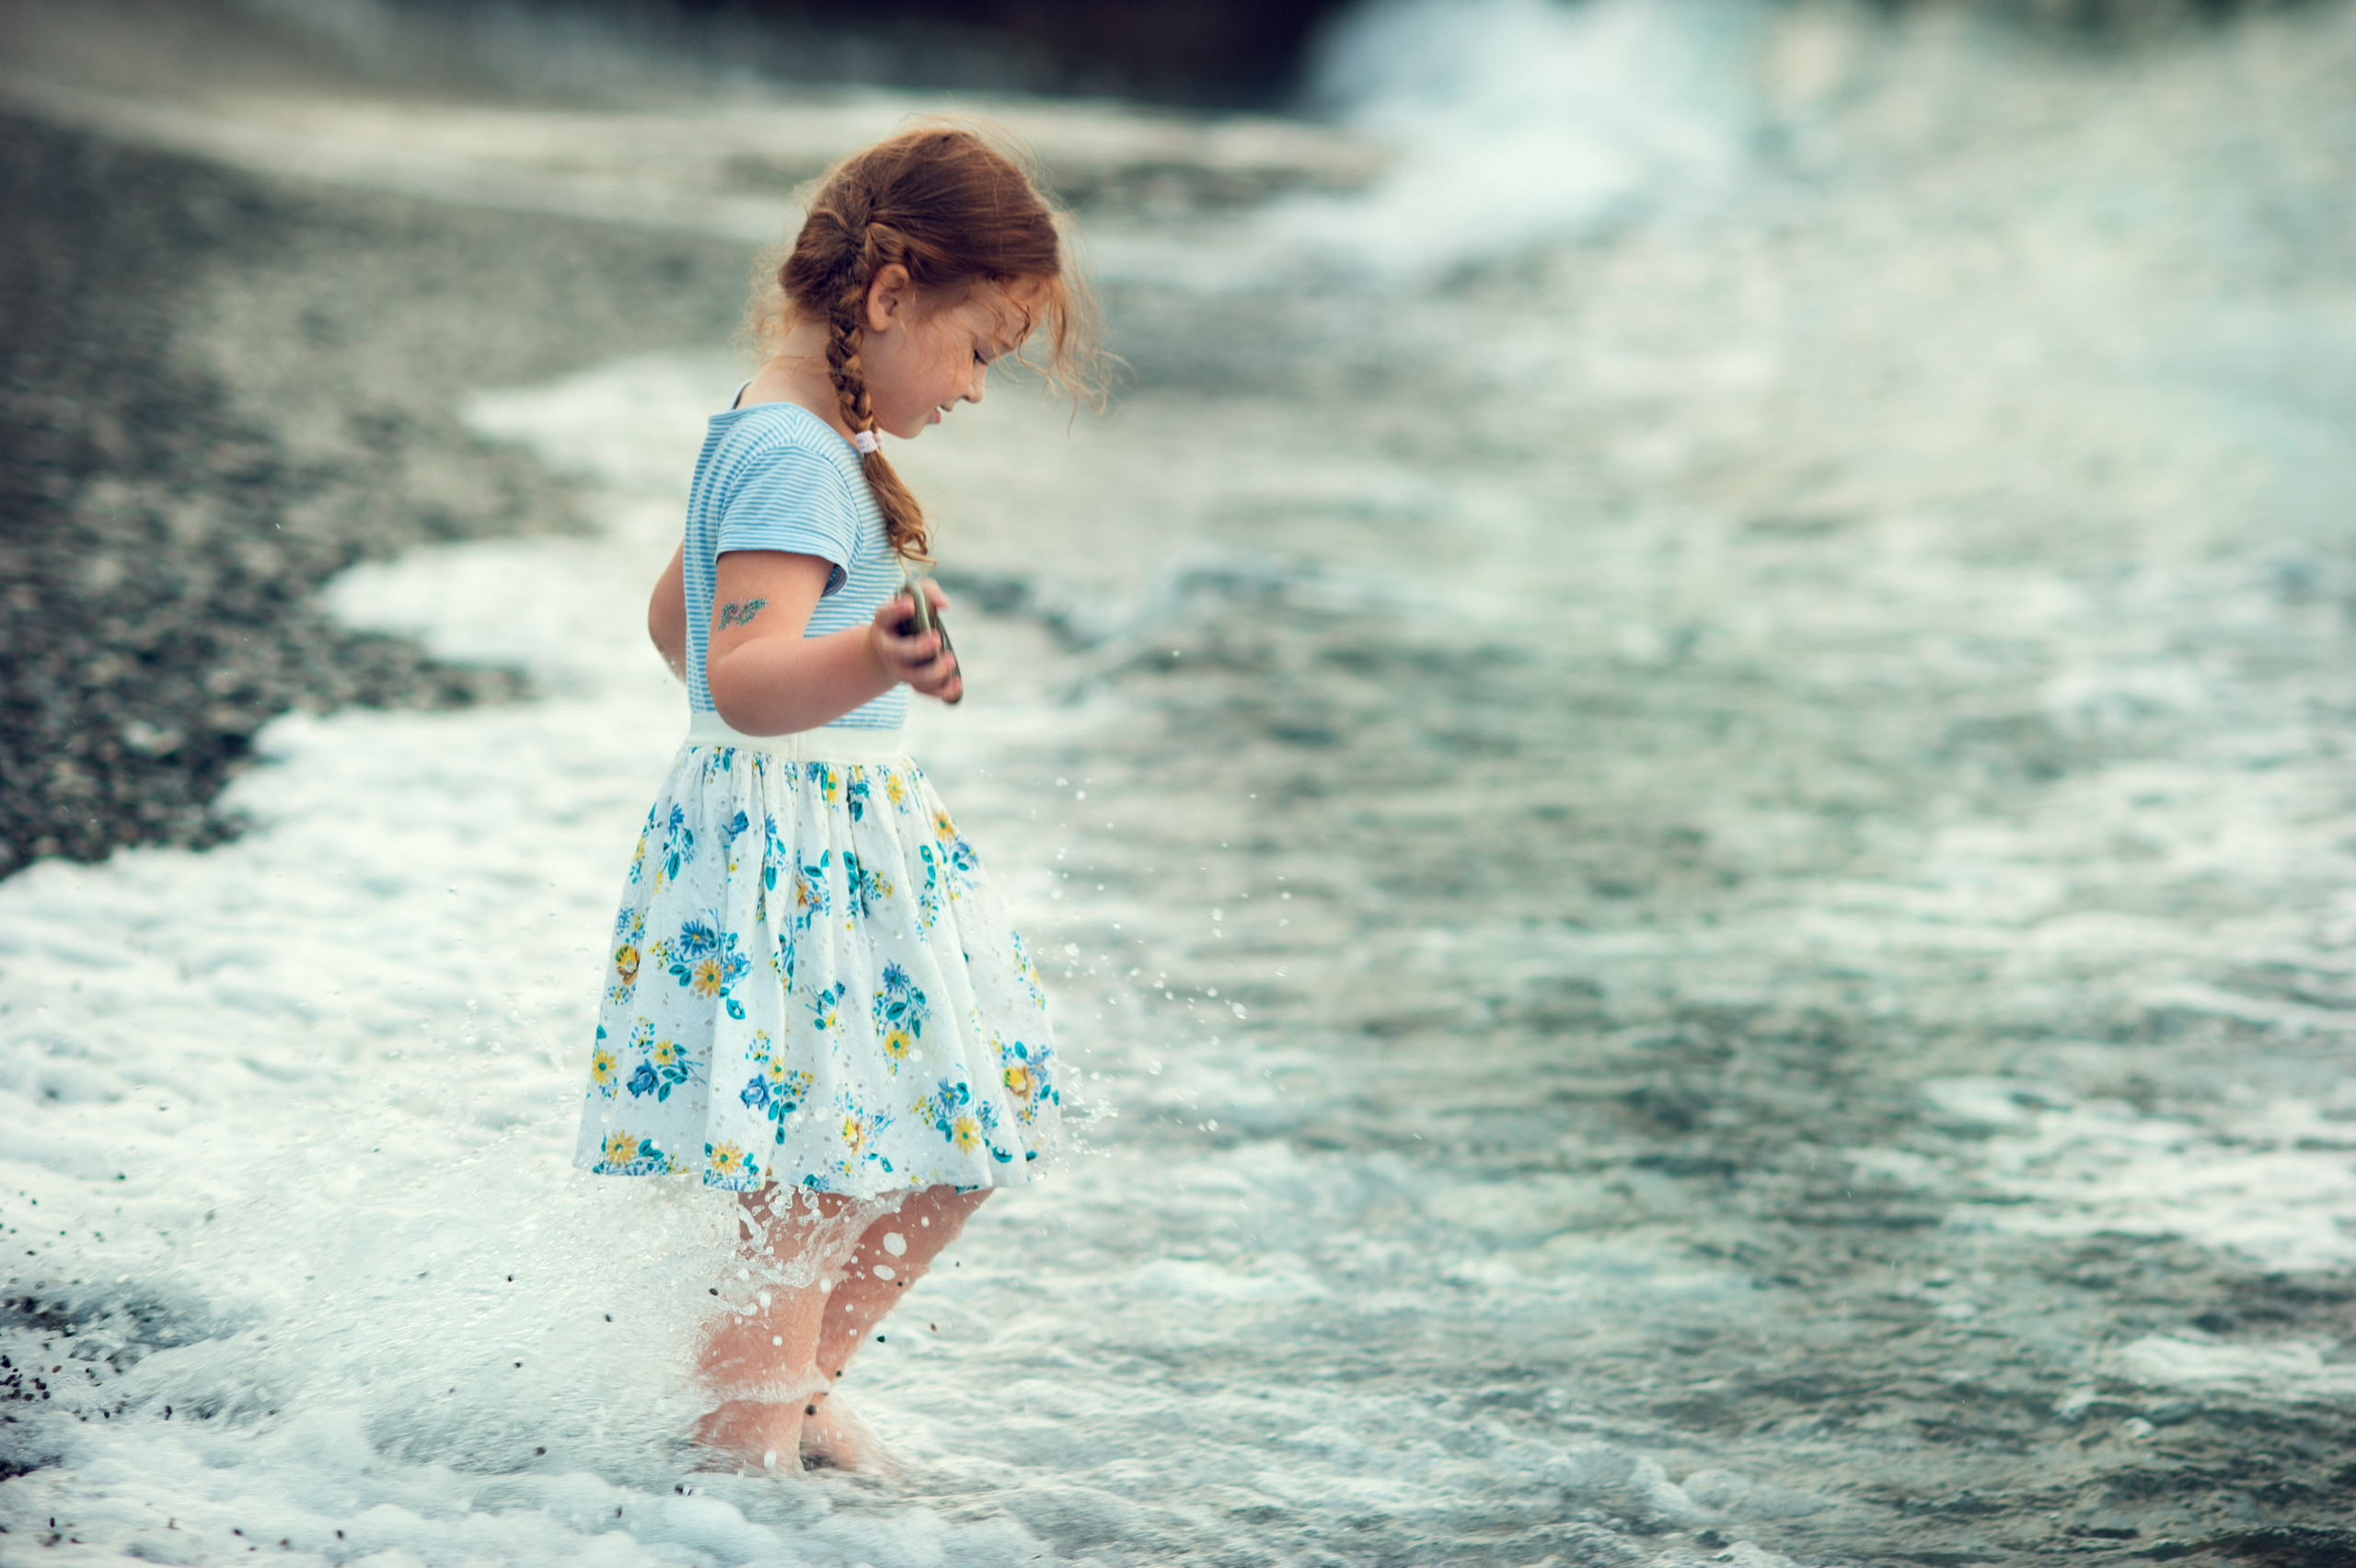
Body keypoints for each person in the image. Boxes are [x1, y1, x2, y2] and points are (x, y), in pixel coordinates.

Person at [572, 123, 1102, 1473]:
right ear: (887, 293)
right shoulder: (795, 456)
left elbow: (675, 628)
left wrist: (805, 638)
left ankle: (791, 1397)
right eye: (980, 347)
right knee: (810, 1182)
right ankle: (734, 1467)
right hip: (797, 855)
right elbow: (742, 676)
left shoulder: (776, 435)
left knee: (957, 1138)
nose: (978, 389)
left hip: (833, 844)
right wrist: (871, 653)